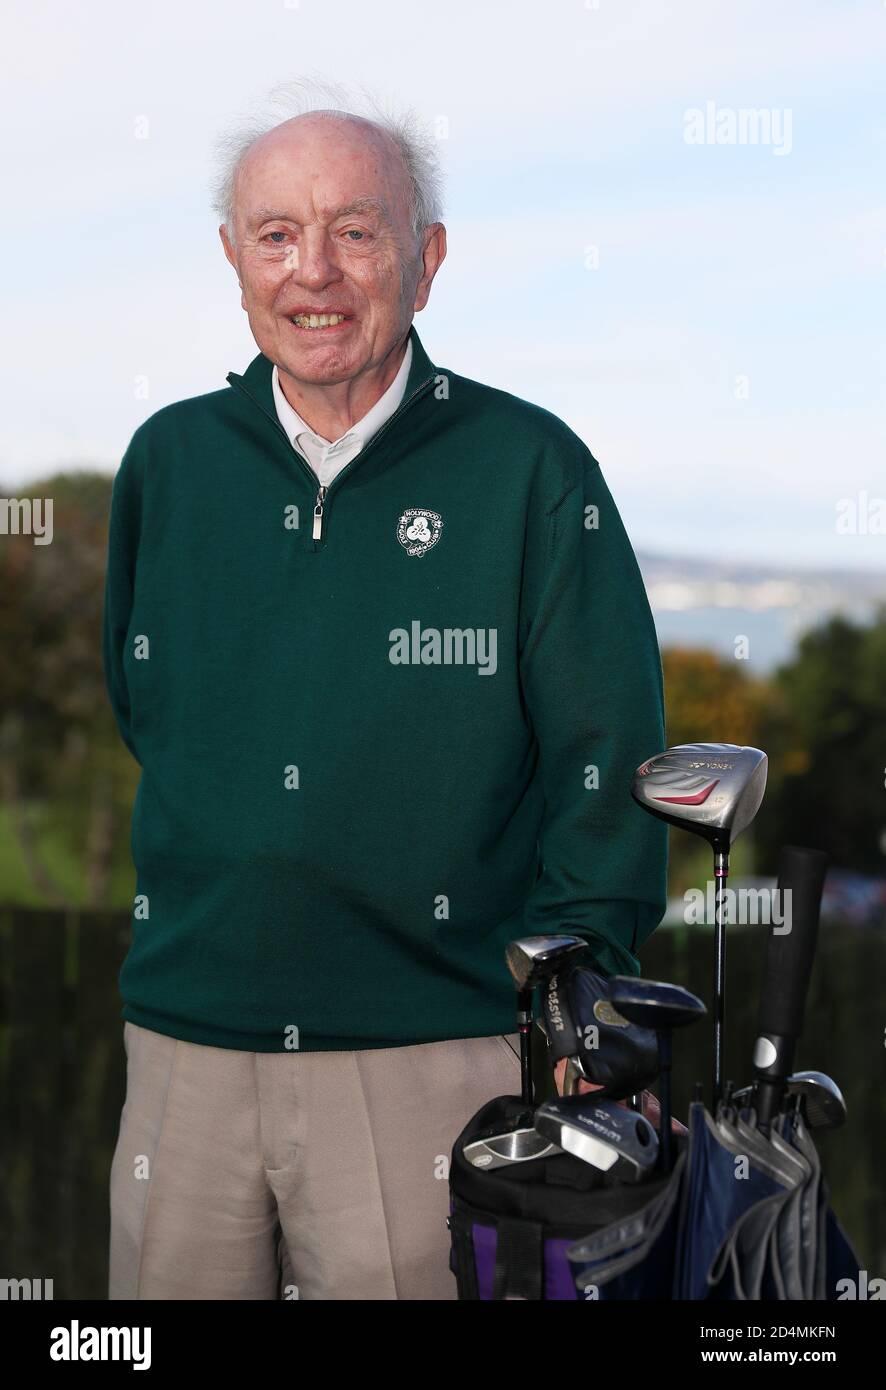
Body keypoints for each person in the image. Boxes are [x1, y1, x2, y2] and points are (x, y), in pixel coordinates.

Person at [103, 79, 667, 1300]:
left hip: (436, 1052)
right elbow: (148, 710)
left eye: (357, 231)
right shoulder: (168, 462)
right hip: (183, 1049)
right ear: (233, 259)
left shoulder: (529, 466)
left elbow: (604, 747)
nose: (316, 271)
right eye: (277, 234)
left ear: (427, 259)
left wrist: (584, 981)